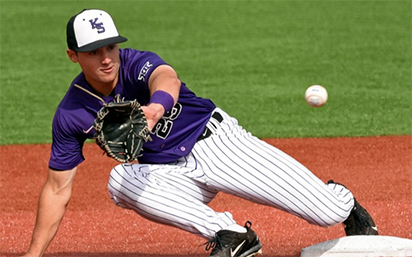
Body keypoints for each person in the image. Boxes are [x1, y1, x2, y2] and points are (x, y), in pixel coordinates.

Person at [23, 9, 378, 257]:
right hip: (171, 174)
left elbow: (166, 78)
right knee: (120, 181)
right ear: (73, 55)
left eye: (110, 47)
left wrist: (155, 107)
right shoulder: (71, 113)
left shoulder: (134, 62)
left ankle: (343, 202)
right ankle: (232, 235)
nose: (106, 58)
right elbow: (57, 187)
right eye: (93, 52)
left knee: (324, 212)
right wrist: (34, 254)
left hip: (218, 144)